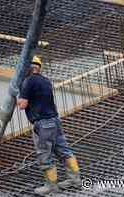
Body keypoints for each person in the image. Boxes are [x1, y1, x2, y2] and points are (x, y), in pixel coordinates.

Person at [17, 56, 81, 195]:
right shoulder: (45, 81)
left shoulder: (29, 81)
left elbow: (23, 105)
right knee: (64, 151)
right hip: (55, 121)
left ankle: (51, 187)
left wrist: (18, 95)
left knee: (44, 155)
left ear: (28, 68)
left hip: (43, 124)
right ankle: (75, 180)